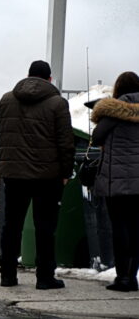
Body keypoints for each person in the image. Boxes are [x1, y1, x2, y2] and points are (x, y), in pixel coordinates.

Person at [0, 60, 75, 290]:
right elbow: (66, 143)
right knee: (45, 228)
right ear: (49, 79)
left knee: (12, 225)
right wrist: (65, 173)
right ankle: (45, 277)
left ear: (28, 75)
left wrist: (4, 165)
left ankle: (7, 275)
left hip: (14, 176)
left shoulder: (7, 99)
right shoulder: (58, 103)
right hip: (48, 178)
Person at [91, 71, 139, 292]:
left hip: (117, 182)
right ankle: (133, 276)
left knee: (120, 229)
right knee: (136, 229)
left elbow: (98, 137)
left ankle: (123, 278)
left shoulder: (112, 112)